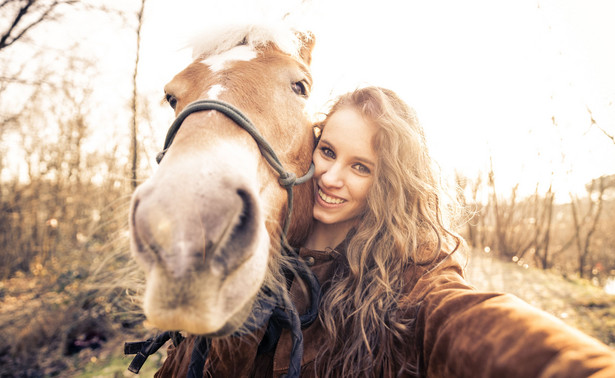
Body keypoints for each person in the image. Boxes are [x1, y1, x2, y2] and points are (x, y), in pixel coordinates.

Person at [154, 87, 615, 377]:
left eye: (361, 167)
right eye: (328, 151)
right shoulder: (260, 242)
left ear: (388, 184)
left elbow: (467, 323)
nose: (332, 177)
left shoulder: (409, 278)